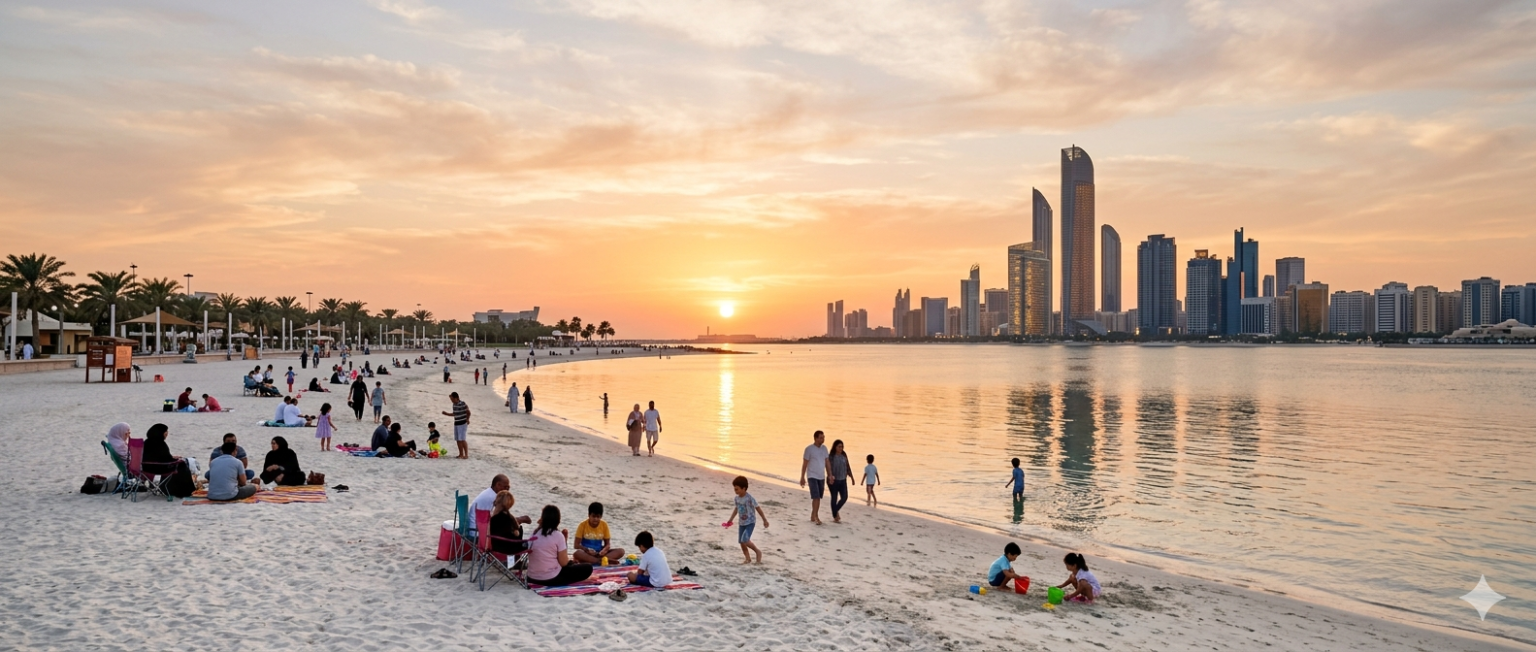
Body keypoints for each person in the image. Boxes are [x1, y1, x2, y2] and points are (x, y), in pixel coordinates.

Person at [526, 505, 593, 587]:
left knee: (571, 565)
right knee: (588, 568)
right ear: (558, 520)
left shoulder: (535, 533)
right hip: (550, 578)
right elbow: (564, 563)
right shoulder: (557, 535)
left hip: (531, 577)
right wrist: (564, 542)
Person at [142, 423, 200, 497]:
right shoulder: (161, 444)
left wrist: (172, 457)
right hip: (159, 468)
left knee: (178, 464)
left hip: (146, 467)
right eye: (165, 432)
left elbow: (157, 457)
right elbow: (166, 459)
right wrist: (177, 459)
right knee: (182, 465)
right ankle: (184, 490)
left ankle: (167, 488)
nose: (167, 434)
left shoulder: (146, 442)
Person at [722, 475, 768, 564]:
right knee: (741, 542)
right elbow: (736, 509)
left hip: (750, 522)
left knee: (745, 540)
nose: (735, 491)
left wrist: (764, 520)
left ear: (744, 488)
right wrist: (730, 519)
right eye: (734, 489)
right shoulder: (736, 498)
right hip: (741, 522)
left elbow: (758, 508)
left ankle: (757, 551)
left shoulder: (749, 498)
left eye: (737, 489)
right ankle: (747, 558)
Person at [799, 430, 830, 525]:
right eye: (821, 437)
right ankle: (816, 516)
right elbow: (805, 464)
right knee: (815, 496)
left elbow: (827, 462)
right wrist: (802, 477)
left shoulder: (824, 449)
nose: (823, 439)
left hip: (821, 476)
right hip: (812, 476)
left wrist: (830, 475)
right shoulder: (809, 449)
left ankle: (813, 514)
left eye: (823, 437)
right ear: (816, 438)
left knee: (818, 497)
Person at [827, 439, 851, 523]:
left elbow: (847, 465)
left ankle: (835, 511)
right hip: (833, 480)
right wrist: (830, 476)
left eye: (842, 447)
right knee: (834, 497)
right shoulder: (831, 456)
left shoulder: (844, 455)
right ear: (835, 447)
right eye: (839, 447)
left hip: (843, 480)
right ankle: (835, 515)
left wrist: (851, 476)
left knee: (844, 497)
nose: (841, 448)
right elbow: (828, 467)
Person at [442, 392, 470, 459]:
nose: (451, 400)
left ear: (456, 398)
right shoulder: (454, 405)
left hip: (462, 423)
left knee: (462, 439)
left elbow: (468, 412)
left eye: (452, 399)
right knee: (458, 439)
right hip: (456, 423)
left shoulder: (463, 403)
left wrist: (467, 419)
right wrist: (447, 414)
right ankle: (460, 454)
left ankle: (466, 455)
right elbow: (455, 414)